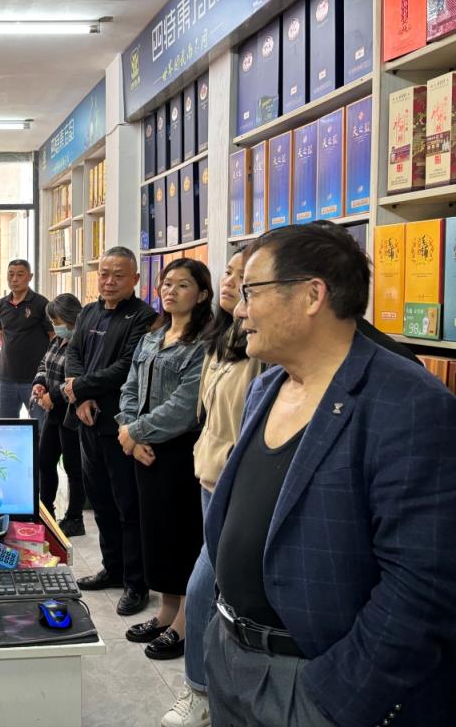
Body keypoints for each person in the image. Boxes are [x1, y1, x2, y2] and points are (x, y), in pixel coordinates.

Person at [204, 223, 456, 727]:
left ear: (312, 294)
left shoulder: (408, 403)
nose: (239, 308)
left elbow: (424, 585)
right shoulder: (267, 387)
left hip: (314, 685)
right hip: (231, 658)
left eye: (252, 291)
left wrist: (336, 698)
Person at [161, 249, 261, 727]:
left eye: (244, 278)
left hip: (236, 483)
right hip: (207, 475)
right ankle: (214, 688)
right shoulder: (221, 337)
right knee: (213, 588)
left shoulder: (264, 348)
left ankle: (200, 692)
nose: (230, 282)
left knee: (202, 587)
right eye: (229, 271)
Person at [116, 259, 213, 661]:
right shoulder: (152, 337)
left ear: (202, 294)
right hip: (143, 449)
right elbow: (130, 388)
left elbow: (184, 405)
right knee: (154, 535)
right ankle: (166, 611)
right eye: (167, 283)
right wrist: (128, 431)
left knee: (181, 538)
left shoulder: (204, 343)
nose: (171, 291)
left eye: (183, 285)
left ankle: (186, 624)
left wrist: (134, 433)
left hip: (178, 453)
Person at [63, 246, 157, 615]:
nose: (109, 281)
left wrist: (80, 389)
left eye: (118, 275)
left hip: (120, 426)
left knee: (127, 506)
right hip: (87, 421)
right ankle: (112, 568)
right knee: (99, 502)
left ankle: (137, 583)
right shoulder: (88, 312)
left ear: (135, 279)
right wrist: (79, 397)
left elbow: (125, 367)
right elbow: (74, 355)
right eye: (104, 273)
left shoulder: (143, 317)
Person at [31, 293, 85, 536]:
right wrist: (39, 384)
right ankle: (46, 511)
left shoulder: (82, 344)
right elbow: (44, 364)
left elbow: (79, 380)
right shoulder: (58, 341)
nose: (55, 325)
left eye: (58, 320)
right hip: (53, 412)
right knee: (44, 460)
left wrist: (52, 395)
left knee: (73, 467)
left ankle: (74, 518)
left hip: (70, 414)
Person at [0, 259, 53, 419]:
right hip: (6, 378)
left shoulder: (41, 304)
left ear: (30, 277)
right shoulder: (1, 305)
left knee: (40, 428)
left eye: (20, 275)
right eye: (11, 274)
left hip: (34, 380)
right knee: (7, 426)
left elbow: (52, 337)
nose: (14, 279)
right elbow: (1, 333)